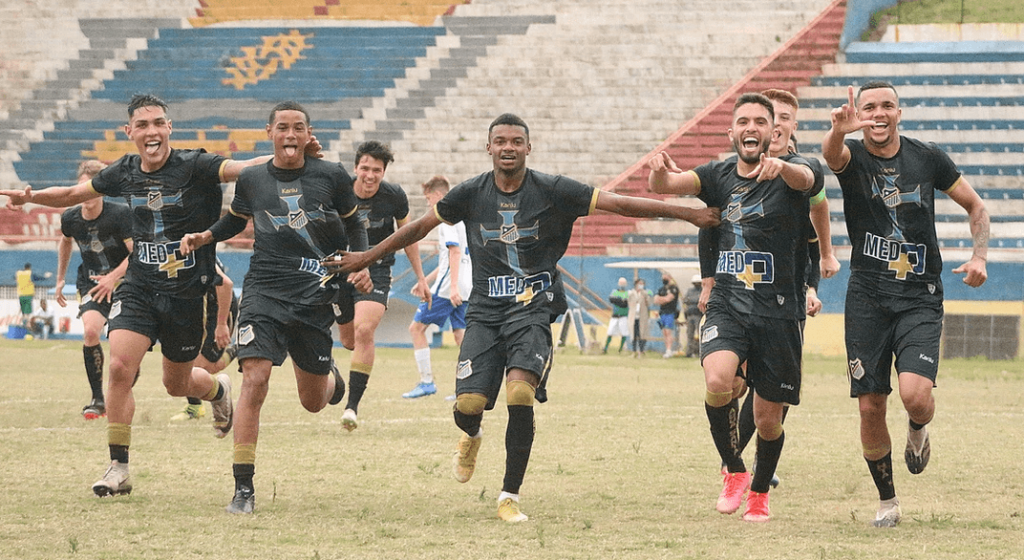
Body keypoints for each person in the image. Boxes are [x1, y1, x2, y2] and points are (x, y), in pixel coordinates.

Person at [327, 113, 718, 522]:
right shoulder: (469, 193)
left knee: (519, 394)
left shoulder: (554, 189)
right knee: (468, 405)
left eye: (517, 141)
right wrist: (367, 256)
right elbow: (420, 227)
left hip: (533, 309)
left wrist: (687, 215)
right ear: (489, 147)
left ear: (528, 148)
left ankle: (508, 495)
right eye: (501, 141)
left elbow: (618, 204)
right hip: (484, 312)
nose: (508, 147)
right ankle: (472, 435)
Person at [0, 93, 315, 498]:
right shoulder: (124, 171)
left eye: (158, 123)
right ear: (129, 132)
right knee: (118, 367)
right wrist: (31, 198)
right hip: (140, 287)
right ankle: (119, 468)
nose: (151, 131)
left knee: (176, 383)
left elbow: (245, 167)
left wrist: (290, 151)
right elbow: (71, 195)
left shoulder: (196, 164)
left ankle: (217, 391)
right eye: (143, 125)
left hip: (187, 294)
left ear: (169, 128)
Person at [180, 101, 370, 514]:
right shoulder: (251, 178)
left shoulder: (332, 175)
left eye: (297, 128)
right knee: (255, 379)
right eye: (282, 127)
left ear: (308, 134)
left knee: (314, 401)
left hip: (314, 297)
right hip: (264, 293)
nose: (289, 135)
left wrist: (362, 260)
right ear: (269, 133)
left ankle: (330, 381)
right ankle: (243, 489)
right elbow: (235, 220)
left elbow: (355, 221)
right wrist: (205, 235)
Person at [822, 82, 989, 527]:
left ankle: (918, 428)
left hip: (920, 296)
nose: (878, 114)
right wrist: (840, 131)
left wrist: (979, 256)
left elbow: (976, 207)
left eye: (887, 106)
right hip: (867, 299)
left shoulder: (928, 157)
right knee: (870, 405)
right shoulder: (851, 155)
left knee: (916, 397)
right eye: (869, 107)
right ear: (860, 113)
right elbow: (830, 156)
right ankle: (888, 501)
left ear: (901, 112)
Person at [648, 92, 819, 522]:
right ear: (732, 132)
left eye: (760, 122)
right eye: (743, 121)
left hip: (779, 311)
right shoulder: (717, 173)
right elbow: (669, 187)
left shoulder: (799, 168)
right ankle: (735, 472)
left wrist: (784, 169)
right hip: (728, 303)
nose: (751, 129)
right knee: (718, 377)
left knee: (767, 421)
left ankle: (760, 493)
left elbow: (809, 184)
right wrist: (658, 173)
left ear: (772, 131)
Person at [333, 140, 429, 430]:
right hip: (340, 269)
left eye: (377, 170)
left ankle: (352, 407)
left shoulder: (394, 197)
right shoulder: (340, 193)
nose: (370, 175)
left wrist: (421, 277)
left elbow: (408, 236)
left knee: (364, 330)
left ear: (384, 172)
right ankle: (331, 375)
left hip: (377, 271)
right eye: (365, 168)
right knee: (349, 341)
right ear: (356, 168)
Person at [55, 160, 133, 420]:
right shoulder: (70, 217)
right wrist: (59, 279)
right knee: (90, 331)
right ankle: (98, 399)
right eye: (82, 189)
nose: (86, 196)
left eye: (92, 190)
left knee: (122, 349)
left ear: (102, 190)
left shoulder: (120, 214)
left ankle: (131, 370)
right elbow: (65, 243)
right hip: (90, 283)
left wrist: (112, 277)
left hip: (125, 283)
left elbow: (137, 254)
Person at [404, 175, 472, 399]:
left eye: (428, 198)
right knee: (461, 334)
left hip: (449, 288)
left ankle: (426, 382)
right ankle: (466, 387)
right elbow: (449, 259)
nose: (427, 203)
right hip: (465, 283)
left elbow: (454, 251)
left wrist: (451, 287)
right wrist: (425, 280)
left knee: (416, 329)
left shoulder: (447, 219)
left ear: (440, 196)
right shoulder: (463, 219)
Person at [171, 261, 240, 421]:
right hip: (195, 308)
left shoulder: (197, 247)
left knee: (203, 368)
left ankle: (240, 348)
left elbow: (225, 284)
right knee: (183, 366)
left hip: (218, 308)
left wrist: (222, 324)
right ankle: (195, 406)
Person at [653, 271, 680, 358]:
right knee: (664, 332)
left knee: (668, 331)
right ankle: (667, 349)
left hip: (670, 313)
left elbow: (668, 299)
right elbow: (655, 300)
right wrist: (663, 299)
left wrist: (662, 299)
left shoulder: (673, 288)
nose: (664, 278)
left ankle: (669, 350)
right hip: (662, 313)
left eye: (666, 276)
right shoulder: (661, 289)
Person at [602, 277, 630, 354]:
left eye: (623, 283)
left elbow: (625, 304)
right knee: (610, 331)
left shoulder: (628, 293)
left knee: (624, 333)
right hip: (615, 315)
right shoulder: (614, 291)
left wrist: (619, 301)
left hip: (623, 316)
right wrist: (621, 300)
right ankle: (605, 348)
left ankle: (620, 349)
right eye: (621, 283)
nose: (622, 285)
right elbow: (612, 300)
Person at [627, 278, 652, 358]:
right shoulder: (631, 293)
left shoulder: (645, 293)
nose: (641, 285)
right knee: (634, 334)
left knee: (642, 334)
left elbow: (649, 303)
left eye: (642, 284)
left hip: (642, 317)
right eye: (640, 283)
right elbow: (628, 303)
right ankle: (633, 351)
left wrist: (645, 296)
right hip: (633, 317)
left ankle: (641, 351)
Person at [681, 274, 702, 358]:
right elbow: (685, 300)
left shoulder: (702, 291)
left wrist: (692, 301)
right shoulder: (690, 291)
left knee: (700, 334)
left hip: (699, 315)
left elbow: (699, 300)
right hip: (690, 315)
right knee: (690, 334)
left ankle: (701, 352)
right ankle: (689, 352)